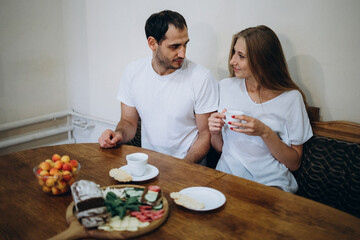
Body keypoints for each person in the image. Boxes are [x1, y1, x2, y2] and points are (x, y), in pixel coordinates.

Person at [98, 10, 218, 164]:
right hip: (148, 165)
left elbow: (205, 134)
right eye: (174, 46)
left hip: (189, 166)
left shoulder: (201, 78)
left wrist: (184, 167)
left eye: (185, 44)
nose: (182, 53)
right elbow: (128, 122)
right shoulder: (133, 72)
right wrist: (118, 135)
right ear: (152, 43)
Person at [208, 25, 312, 192]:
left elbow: (294, 163)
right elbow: (221, 148)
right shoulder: (226, 87)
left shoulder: (291, 99)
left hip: (271, 184)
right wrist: (214, 132)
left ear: (262, 60)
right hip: (226, 178)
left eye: (241, 56)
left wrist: (264, 132)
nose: (232, 61)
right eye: (234, 52)